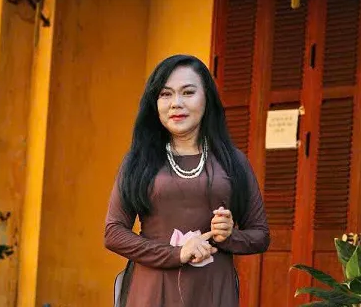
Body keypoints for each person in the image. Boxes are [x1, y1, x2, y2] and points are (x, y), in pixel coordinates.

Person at [104, 54, 270, 307]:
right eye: (165, 94)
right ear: (155, 103)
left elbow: (260, 235)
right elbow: (113, 233)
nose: (176, 103)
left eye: (188, 92)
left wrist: (229, 236)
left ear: (207, 99)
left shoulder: (233, 161)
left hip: (213, 290)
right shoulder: (139, 161)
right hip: (152, 290)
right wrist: (176, 253)